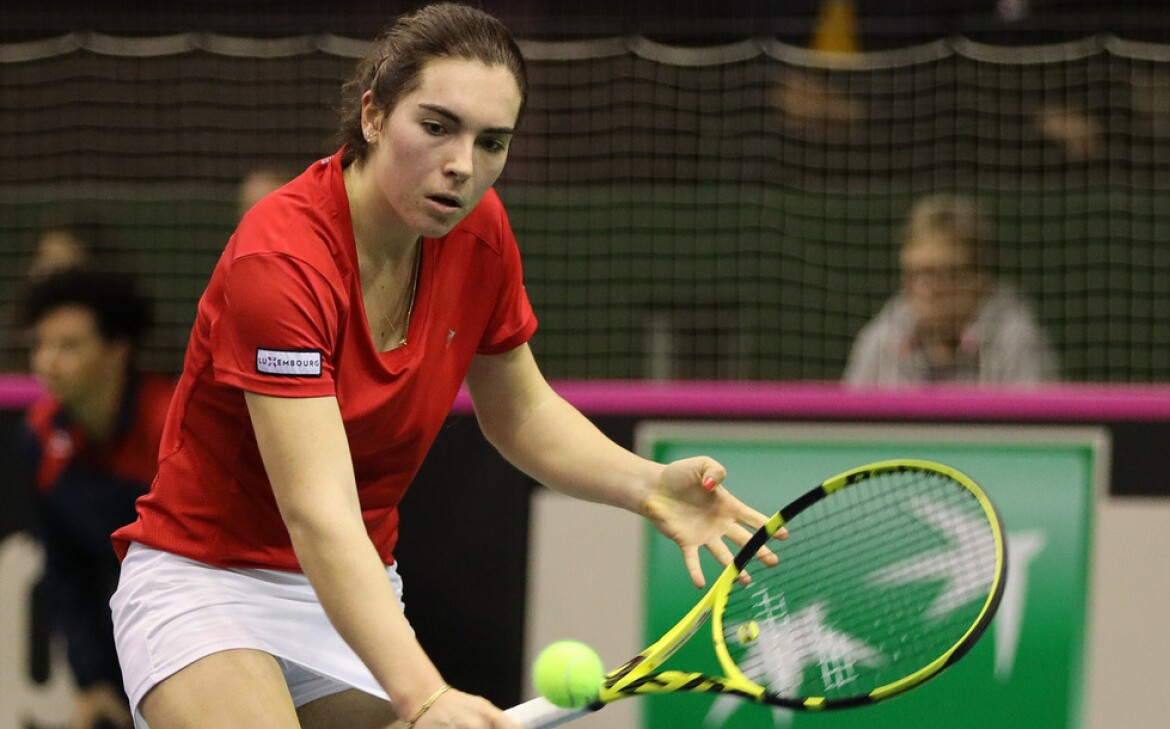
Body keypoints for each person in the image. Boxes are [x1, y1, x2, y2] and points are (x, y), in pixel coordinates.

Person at [109, 5, 777, 729]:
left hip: (349, 590)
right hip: (210, 581)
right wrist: (423, 694)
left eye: (492, 142)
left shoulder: (479, 232)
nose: (463, 164)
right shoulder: (281, 261)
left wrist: (647, 485)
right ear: (373, 115)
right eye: (437, 126)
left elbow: (521, 411)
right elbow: (318, 511)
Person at [15, 269, 176, 729]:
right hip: (125, 642)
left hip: (196, 623)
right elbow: (67, 572)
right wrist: (94, 681)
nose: (47, 361)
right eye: (41, 345)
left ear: (116, 351)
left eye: (69, 346)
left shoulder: (170, 427)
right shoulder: (40, 437)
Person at [843, 193, 1060, 385]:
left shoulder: (1015, 339)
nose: (925, 289)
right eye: (913, 274)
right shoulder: (882, 338)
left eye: (942, 275)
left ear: (980, 277)